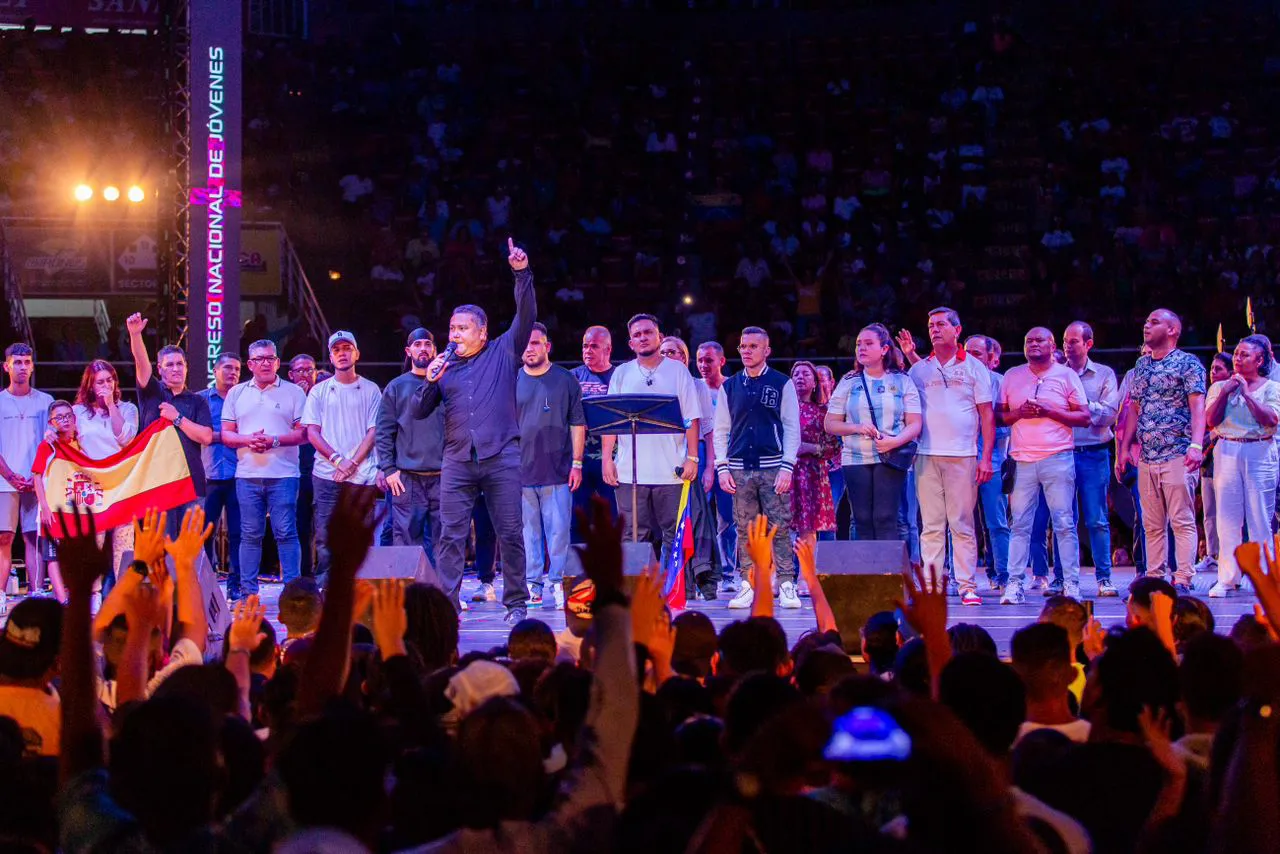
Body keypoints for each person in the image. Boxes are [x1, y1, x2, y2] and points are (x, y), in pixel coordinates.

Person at [417, 238, 536, 622]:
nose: (454, 333)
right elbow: (419, 411)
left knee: (510, 532)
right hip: (457, 460)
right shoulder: (444, 366)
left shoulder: (504, 351)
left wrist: (521, 274)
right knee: (450, 535)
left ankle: (516, 604)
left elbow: (526, 315)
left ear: (482, 332)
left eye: (463, 328)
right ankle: (448, 606)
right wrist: (430, 380)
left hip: (501, 457)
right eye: (452, 327)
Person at [903, 308, 994, 605]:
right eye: (931, 325)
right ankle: (932, 587)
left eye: (941, 324)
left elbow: (987, 415)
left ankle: (967, 585)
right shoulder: (919, 370)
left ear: (957, 329)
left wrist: (986, 457)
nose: (935, 329)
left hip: (963, 455)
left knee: (962, 524)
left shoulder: (975, 368)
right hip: (926, 455)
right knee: (931, 525)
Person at [1115, 309, 1206, 591]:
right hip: (1147, 457)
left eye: (1154, 322)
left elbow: (1198, 407)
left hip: (1178, 452)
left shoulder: (1188, 363)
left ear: (1172, 330)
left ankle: (1183, 578)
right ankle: (1155, 578)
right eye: (1146, 321)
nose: (1146, 325)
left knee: (1181, 520)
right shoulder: (1141, 365)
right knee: (1151, 523)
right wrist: (1124, 448)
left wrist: (1196, 445)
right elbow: (1134, 408)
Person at [998, 328, 1090, 603]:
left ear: (1052, 345)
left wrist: (1051, 411)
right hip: (1022, 459)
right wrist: (1019, 413)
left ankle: (1071, 583)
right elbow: (999, 416)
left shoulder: (1067, 375)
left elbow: (1084, 417)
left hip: (1057, 457)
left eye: (1040, 340)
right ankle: (1015, 584)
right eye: (1029, 341)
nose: (1033, 344)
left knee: (1064, 523)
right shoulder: (1012, 375)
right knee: (1019, 525)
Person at [601, 313, 700, 570]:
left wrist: (692, 458)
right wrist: (607, 459)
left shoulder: (678, 371)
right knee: (632, 535)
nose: (643, 338)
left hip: (671, 471)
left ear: (660, 337)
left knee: (674, 535)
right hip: (630, 472)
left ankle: (674, 589)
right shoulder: (622, 373)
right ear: (630, 343)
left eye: (648, 332)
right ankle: (636, 589)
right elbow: (611, 422)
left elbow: (691, 417)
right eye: (637, 335)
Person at [714, 326, 800, 609]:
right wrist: (722, 467)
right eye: (743, 346)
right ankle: (748, 584)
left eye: (753, 346)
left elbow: (791, 427)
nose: (747, 351)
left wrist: (787, 466)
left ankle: (786, 583)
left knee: (780, 526)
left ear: (767, 350)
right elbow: (721, 430)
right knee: (744, 529)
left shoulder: (781, 383)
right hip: (739, 468)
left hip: (774, 467)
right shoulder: (730, 386)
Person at [222, 339, 309, 599]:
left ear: (278, 362)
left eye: (270, 358)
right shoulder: (236, 393)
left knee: (286, 533)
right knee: (250, 535)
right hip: (248, 476)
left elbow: (304, 434)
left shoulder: (294, 392)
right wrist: (248, 440)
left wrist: (274, 441)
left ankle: (293, 594)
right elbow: (226, 435)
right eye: (259, 359)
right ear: (250, 364)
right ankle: (249, 594)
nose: (265, 363)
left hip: (284, 475)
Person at [826, 324, 921, 542]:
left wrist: (894, 442)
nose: (862, 348)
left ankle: (888, 565)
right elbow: (830, 424)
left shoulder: (902, 380)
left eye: (869, 344)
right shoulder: (849, 381)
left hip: (890, 456)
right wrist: (856, 427)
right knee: (861, 519)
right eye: (859, 344)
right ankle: (867, 565)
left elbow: (915, 423)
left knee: (885, 517)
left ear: (885, 349)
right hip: (855, 458)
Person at [302, 331, 383, 588]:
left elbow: (374, 431)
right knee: (326, 535)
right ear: (331, 357)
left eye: (347, 348)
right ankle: (328, 589)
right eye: (337, 350)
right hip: (327, 474)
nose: (342, 353)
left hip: (363, 475)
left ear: (356, 353)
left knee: (361, 535)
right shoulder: (319, 391)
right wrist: (339, 461)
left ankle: (362, 588)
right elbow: (312, 432)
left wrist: (352, 463)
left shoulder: (371, 389)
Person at [516, 323, 585, 609]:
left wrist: (577, 463)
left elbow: (578, 423)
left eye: (535, 343)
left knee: (558, 534)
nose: (529, 349)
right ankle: (533, 585)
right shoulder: (511, 379)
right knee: (527, 534)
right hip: (520, 472)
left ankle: (558, 583)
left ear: (547, 346)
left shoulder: (565, 380)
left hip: (557, 471)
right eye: (525, 344)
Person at [126, 313, 214, 538]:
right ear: (160, 369)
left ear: (186, 367)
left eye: (179, 364)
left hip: (192, 483)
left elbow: (206, 437)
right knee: (159, 547)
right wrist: (135, 335)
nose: (175, 368)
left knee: (189, 549)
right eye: (170, 364)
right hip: (158, 484)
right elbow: (141, 363)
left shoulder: (197, 401)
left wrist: (177, 418)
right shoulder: (152, 392)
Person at [1205, 334, 1280, 597]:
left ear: (1259, 360)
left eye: (1245, 354)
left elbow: (1271, 420)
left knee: (1259, 516)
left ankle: (1263, 576)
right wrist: (1226, 391)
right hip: (1227, 448)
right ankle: (1227, 577)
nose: (1238, 358)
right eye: (1236, 353)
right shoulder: (1219, 387)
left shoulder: (1271, 387)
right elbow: (1211, 420)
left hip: (1259, 449)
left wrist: (1247, 394)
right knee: (1227, 518)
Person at [376, 328, 446, 564]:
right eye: (417, 345)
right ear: (408, 351)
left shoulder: (446, 384)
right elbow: (384, 430)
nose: (423, 349)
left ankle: (442, 588)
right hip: (407, 478)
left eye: (427, 344)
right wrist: (388, 468)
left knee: (444, 541)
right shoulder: (397, 386)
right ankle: (407, 588)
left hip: (442, 475)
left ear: (434, 349)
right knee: (405, 542)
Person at [1061, 322, 1120, 597]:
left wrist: (1079, 404)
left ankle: (1104, 578)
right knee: (1064, 520)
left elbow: (1108, 415)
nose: (1067, 346)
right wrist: (1083, 411)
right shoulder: (1056, 373)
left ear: (1088, 344)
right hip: (1062, 452)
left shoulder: (1104, 374)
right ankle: (1065, 580)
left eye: (1073, 341)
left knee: (1097, 519)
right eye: (1065, 341)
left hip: (1094, 453)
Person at [0, 343, 52, 609]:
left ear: (32, 366)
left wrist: (37, 476)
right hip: (4, 481)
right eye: (17, 362)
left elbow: (52, 443)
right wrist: (10, 475)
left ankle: (36, 592)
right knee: (4, 537)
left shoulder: (46, 401)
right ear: (6, 366)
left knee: (34, 537)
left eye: (27, 362)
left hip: (36, 481)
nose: (22, 367)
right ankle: (0, 594)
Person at [964, 335, 1011, 592]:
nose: (971, 358)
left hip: (992, 456)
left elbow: (1006, 425)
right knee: (960, 521)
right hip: (961, 454)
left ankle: (1002, 574)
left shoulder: (1000, 383)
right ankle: (961, 577)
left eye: (977, 353)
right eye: (967, 352)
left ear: (990, 358)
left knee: (996, 521)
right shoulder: (957, 381)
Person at [696, 341, 738, 591]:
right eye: (700, 360)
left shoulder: (732, 386)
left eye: (709, 360)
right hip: (701, 455)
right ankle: (702, 574)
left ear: (721, 361)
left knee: (728, 519)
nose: (703, 365)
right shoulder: (694, 387)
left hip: (729, 456)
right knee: (700, 518)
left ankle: (729, 573)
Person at [197, 353, 242, 582]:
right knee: (205, 532)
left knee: (239, 533)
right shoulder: (200, 400)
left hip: (240, 474)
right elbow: (196, 434)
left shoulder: (245, 399)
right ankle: (207, 581)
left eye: (237, 369)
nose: (233, 372)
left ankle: (236, 584)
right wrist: (227, 436)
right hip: (208, 474)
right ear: (215, 371)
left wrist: (214, 436)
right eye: (227, 367)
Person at [570, 325, 616, 529]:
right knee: (578, 520)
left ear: (608, 349)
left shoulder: (619, 376)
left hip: (611, 459)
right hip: (578, 460)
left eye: (594, 346)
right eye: (585, 346)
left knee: (613, 520)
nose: (588, 350)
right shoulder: (572, 377)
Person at [788, 360, 838, 547]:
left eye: (805, 374)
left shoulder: (823, 412)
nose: (800, 377)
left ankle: (807, 565)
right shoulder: (781, 410)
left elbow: (834, 447)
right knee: (781, 524)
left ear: (815, 382)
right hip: (785, 472)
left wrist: (810, 448)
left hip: (811, 474)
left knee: (808, 526)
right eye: (796, 374)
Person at [1197, 353, 1232, 581]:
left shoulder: (1233, 394)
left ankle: (1230, 556)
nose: (1213, 373)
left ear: (1230, 372)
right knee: (1209, 512)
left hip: (1226, 460)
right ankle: (1211, 554)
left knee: (1227, 513)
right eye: (1212, 368)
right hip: (1207, 463)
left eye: (1218, 369)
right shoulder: (1207, 394)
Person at [288, 355, 320, 577]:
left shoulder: (322, 396)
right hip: (295, 472)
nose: (305, 375)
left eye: (309, 370)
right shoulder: (286, 398)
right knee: (300, 528)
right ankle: (305, 575)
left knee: (325, 528)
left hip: (323, 470)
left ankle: (327, 576)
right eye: (300, 371)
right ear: (291, 375)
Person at [813, 365, 847, 542]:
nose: (819, 385)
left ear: (832, 382)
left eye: (822, 380)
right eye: (816, 381)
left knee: (828, 513)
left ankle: (825, 556)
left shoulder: (840, 405)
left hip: (835, 470)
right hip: (811, 468)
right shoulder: (807, 406)